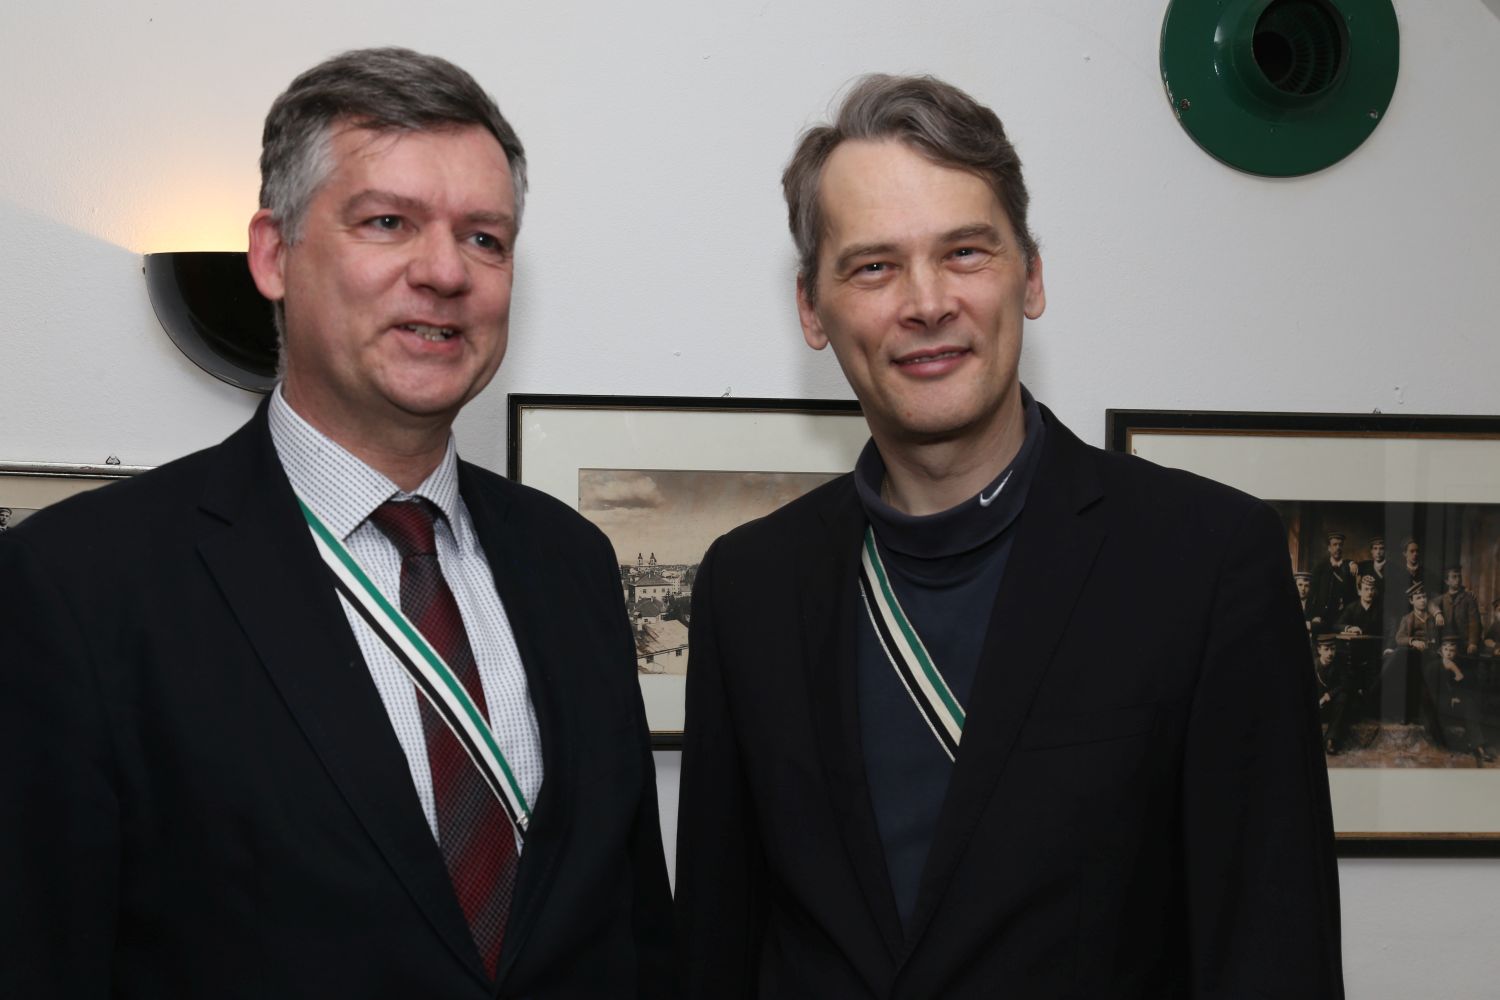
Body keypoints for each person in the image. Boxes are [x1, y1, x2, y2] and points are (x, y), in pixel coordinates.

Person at [0, 48, 674, 998]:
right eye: (388, 222)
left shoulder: (571, 560)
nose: (445, 272)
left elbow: (636, 936)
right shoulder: (79, 583)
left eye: (485, 238)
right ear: (274, 255)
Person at [675, 74, 1342, 998]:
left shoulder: (1207, 561)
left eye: (965, 252)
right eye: (873, 267)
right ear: (811, 310)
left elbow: (1270, 950)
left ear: (1030, 276)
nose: (926, 302)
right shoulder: (748, 585)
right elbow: (714, 946)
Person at [1310, 531, 1359, 627]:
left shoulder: (1349, 567)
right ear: (1329, 548)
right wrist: (1313, 616)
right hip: (1322, 616)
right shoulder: (1320, 568)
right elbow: (1312, 593)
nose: (1338, 547)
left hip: (1344, 617)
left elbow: (1354, 596)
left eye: (1340, 545)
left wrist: (1352, 562)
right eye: (1335, 544)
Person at [1438, 565, 1481, 656]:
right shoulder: (1443, 598)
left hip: (1464, 643)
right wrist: (1437, 613)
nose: (1458, 579)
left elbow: (1474, 622)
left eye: (1459, 576)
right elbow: (1430, 604)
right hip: (1447, 643)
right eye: (1454, 577)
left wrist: (1473, 643)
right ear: (1446, 581)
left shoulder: (1469, 597)